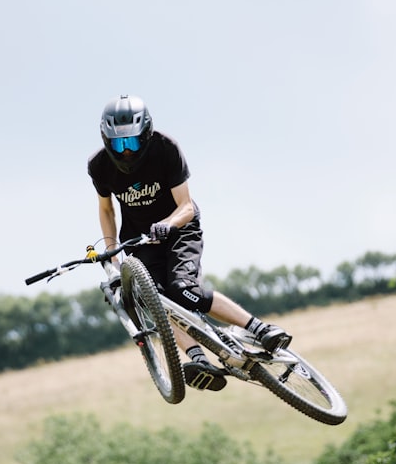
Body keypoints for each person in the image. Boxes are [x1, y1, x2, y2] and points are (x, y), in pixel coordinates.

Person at [87, 94, 291, 392]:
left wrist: (167, 225)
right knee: (155, 301)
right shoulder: (99, 166)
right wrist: (112, 257)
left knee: (183, 290)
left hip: (179, 230)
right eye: (119, 144)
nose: (126, 152)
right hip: (139, 242)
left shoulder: (166, 148)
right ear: (107, 140)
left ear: (145, 134)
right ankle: (198, 358)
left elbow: (187, 206)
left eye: (131, 143)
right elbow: (106, 209)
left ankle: (260, 328)